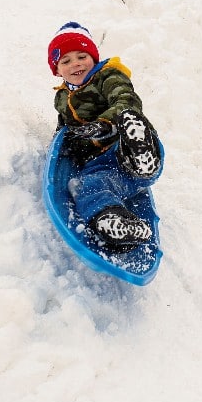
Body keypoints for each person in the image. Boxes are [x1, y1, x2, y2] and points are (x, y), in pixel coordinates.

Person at [49, 22, 163, 251]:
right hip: (103, 164)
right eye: (66, 61)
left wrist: (104, 125)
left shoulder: (108, 76)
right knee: (89, 187)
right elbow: (65, 128)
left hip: (123, 143)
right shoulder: (61, 98)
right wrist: (62, 144)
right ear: (57, 70)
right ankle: (116, 223)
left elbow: (126, 100)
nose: (76, 64)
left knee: (129, 118)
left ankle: (140, 157)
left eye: (82, 56)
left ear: (94, 57)